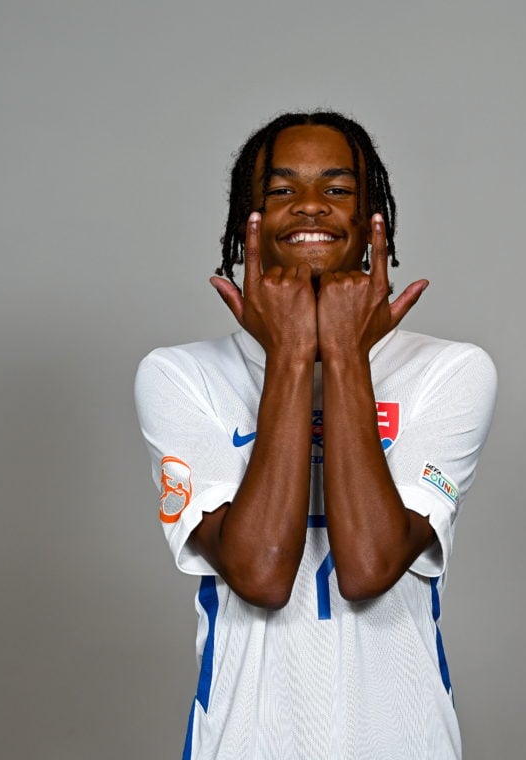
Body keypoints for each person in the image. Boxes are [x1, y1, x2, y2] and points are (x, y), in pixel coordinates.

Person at [135, 111, 497, 759]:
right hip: (246, 742)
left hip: (403, 741)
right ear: (248, 222)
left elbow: (369, 567)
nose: (309, 206)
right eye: (280, 190)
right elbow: (261, 574)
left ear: (370, 222)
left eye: (337, 189)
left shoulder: (449, 370)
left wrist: (345, 351)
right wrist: (293, 353)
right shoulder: (180, 375)